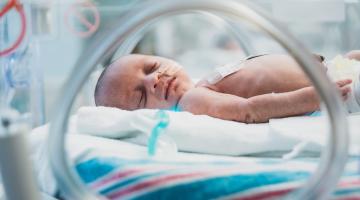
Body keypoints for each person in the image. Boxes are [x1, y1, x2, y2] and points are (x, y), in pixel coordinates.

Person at [94, 51, 360, 123]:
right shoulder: (193, 101)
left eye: (151, 67)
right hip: (335, 93)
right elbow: (249, 109)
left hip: (334, 69)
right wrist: (311, 98)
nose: (153, 80)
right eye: (140, 95)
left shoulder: (202, 82)